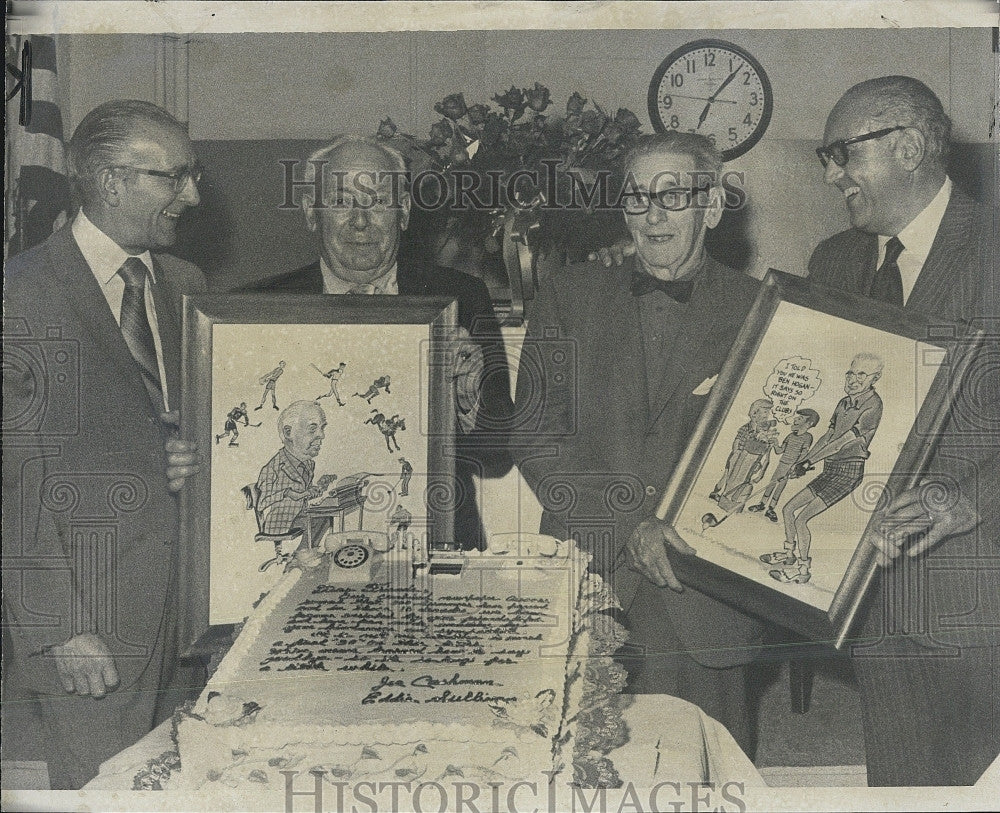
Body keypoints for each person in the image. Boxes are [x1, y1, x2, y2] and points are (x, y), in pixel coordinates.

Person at [512, 132, 766, 754]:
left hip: (706, 594)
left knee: (708, 772)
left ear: (712, 208)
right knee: (582, 770)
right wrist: (631, 523)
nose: (652, 214)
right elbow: (534, 433)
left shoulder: (762, 309)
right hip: (592, 571)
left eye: (672, 196)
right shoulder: (570, 294)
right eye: (637, 196)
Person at [2, 99, 204, 788]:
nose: (193, 195)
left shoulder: (186, 285)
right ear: (113, 181)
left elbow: (173, 433)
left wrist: (189, 460)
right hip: (89, 641)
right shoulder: (18, 294)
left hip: (188, 635)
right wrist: (59, 628)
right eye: (174, 177)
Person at [808, 76, 998, 786]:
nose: (832, 176)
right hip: (871, 601)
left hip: (985, 594)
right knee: (901, 786)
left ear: (910, 146)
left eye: (842, 154)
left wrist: (971, 499)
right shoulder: (833, 260)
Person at [244, 135, 514, 550]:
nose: (360, 221)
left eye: (378, 202)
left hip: (432, 541)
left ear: (404, 212)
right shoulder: (254, 310)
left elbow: (497, 457)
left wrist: (469, 400)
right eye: (340, 201)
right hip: (303, 549)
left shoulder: (460, 298)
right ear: (311, 213)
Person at [762, 354, 884, 585]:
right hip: (830, 468)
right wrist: (803, 461)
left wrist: (809, 463)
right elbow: (828, 436)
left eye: (861, 374)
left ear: (874, 378)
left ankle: (803, 569)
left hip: (848, 471)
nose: (853, 379)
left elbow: (841, 442)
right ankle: (789, 555)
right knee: (788, 510)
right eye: (851, 372)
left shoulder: (873, 405)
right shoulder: (843, 402)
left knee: (801, 520)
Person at [255, 400, 337, 536]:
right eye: (312, 429)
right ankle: (303, 554)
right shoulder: (272, 468)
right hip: (280, 523)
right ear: (288, 433)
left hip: (302, 517)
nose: (321, 435)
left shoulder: (309, 464)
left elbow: (304, 496)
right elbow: (261, 503)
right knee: (321, 519)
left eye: (322, 428)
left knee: (327, 519)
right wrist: (287, 493)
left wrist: (316, 490)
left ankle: (304, 553)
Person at [748, 408, 820, 522]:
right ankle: (762, 504)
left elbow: (804, 454)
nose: (796, 419)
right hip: (782, 463)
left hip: (790, 466)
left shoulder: (807, 437)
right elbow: (779, 451)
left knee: (780, 486)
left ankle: (771, 508)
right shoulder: (791, 436)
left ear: (809, 424)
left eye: (800, 418)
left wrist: (795, 466)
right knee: (772, 483)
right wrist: (775, 443)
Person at [709, 397, 777, 513]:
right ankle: (718, 494)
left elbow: (765, 452)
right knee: (728, 478)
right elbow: (736, 444)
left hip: (751, 461)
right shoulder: (746, 428)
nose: (767, 415)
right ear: (755, 412)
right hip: (738, 457)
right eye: (765, 411)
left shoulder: (764, 431)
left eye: (768, 412)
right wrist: (736, 456)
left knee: (740, 483)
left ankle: (731, 502)